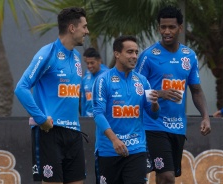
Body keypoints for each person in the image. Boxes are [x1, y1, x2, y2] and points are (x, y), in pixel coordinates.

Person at [135, 5, 211, 184]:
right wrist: (160, 93)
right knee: (166, 175)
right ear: (158, 28)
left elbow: (197, 90)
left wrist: (206, 117)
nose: (166, 31)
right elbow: (135, 89)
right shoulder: (148, 56)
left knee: (168, 177)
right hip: (153, 125)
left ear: (180, 28)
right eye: (163, 27)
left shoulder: (189, 56)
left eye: (171, 27)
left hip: (178, 127)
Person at [14, 7, 89, 184]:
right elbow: (21, 88)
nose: (87, 31)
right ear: (72, 28)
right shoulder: (47, 53)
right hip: (50, 133)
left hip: (74, 133)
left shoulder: (77, 57)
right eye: (84, 26)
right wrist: (41, 119)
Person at [92, 35, 160, 184]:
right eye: (130, 52)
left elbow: (153, 114)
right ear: (117, 54)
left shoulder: (142, 81)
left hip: (136, 149)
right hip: (109, 150)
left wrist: (155, 104)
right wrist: (114, 140)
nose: (134, 56)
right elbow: (98, 114)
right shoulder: (103, 80)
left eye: (136, 52)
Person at [80, 47, 108, 117]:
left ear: (99, 61)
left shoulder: (107, 76)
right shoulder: (85, 78)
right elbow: (83, 102)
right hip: (88, 119)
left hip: (104, 119)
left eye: (92, 63)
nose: (89, 66)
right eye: (87, 63)